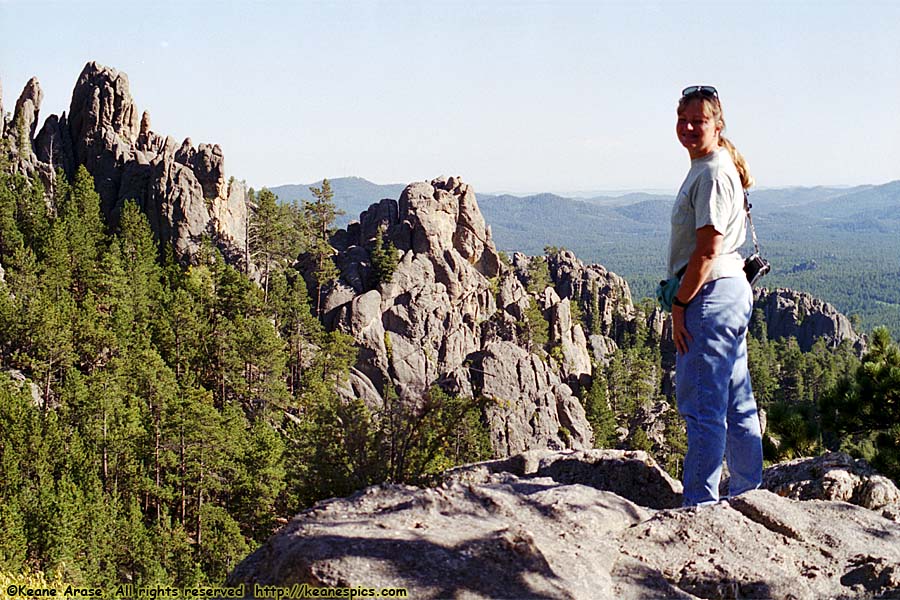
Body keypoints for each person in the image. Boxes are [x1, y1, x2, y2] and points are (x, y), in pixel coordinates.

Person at [668, 85, 763, 507]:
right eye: (683, 119)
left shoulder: (710, 173)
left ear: (718, 125)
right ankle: (747, 494)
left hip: (709, 296)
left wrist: (680, 304)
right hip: (729, 293)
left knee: (704, 407)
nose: (689, 127)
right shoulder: (716, 164)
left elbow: (706, 249)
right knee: (736, 401)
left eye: (699, 120)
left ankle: (699, 509)